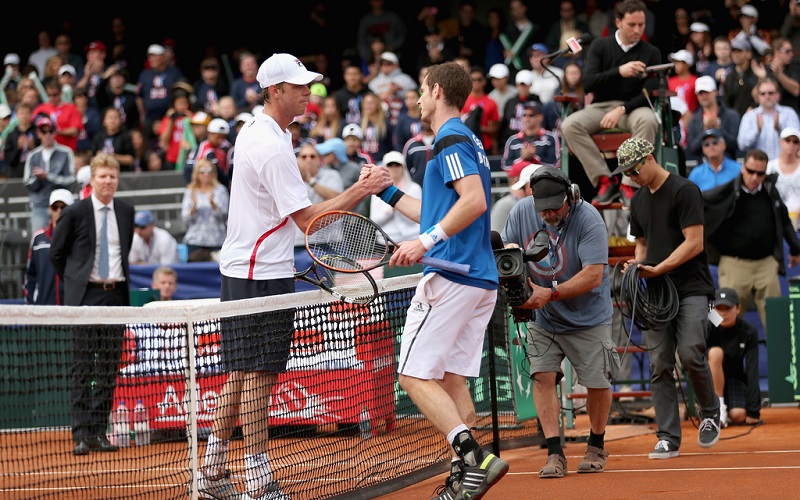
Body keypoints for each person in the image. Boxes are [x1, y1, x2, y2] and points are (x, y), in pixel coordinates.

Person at [195, 53, 391, 500]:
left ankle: (209, 474)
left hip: (250, 267)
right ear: (275, 91)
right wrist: (361, 188)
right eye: (300, 85)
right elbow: (309, 222)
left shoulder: (267, 133)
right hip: (258, 273)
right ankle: (259, 481)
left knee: (240, 374)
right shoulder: (269, 144)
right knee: (257, 376)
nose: (309, 91)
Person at [378, 60, 508, 500]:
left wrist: (425, 243)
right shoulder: (468, 139)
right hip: (479, 280)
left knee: (413, 376)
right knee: (452, 380)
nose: (415, 98)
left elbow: (471, 202)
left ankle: (475, 457)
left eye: (419, 89)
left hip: (452, 275)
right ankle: (463, 478)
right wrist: (389, 192)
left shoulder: (450, 137)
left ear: (436, 91)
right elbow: (440, 212)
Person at [502, 164, 616, 478]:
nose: (549, 214)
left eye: (555, 208)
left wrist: (548, 294)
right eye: (543, 209)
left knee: (597, 382)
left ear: (570, 196)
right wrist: (519, 286)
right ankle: (554, 451)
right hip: (544, 318)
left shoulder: (589, 218)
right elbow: (509, 255)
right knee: (542, 376)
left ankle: (596, 443)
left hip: (588, 317)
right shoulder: (522, 212)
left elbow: (594, 275)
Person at [613, 137, 721, 459]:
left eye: (633, 169)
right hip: (657, 293)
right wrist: (639, 263)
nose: (630, 176)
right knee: (659, 363)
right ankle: (667, 436)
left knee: (690, 353)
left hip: (691, 288)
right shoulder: (639, 201)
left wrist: (658, 268)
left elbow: (695, 242)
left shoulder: (684, 190)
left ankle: (710, 412)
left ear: (648, 158)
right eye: (626, 172)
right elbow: (642, 243)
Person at [49, 153, 135, 456]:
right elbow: (56, 254)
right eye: (103, 176)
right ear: (92, 179)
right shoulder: (74, 212)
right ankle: (81, 434)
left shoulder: (126, 211)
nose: (108, 181)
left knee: (109, 367)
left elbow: (124, 251)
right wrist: (76, 282)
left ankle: (99, 431)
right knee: (83, 368)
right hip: (85, 298)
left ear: (117, 179)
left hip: (116, 297)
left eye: (112, 176)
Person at [560, 0, 662, 208]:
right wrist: (619, 72)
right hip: (600, 106)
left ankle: (628, 184)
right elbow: (588, 83)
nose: (638, 30)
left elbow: (649, 92)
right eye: (632, 25)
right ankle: (606, 180)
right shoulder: (600, 45)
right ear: (618, 22)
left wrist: (623, 108)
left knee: (649, 120)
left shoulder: (651, 51)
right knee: (569, 125)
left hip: (632, 107)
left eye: (641, 25)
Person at [703, 148, 800, 335]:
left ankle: (784, 362)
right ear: (742, 168)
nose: (755, 177)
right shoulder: (728, 191)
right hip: (733, 263)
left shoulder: (771, 192)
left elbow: (785, 221)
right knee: (720, 319)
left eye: (760, 173)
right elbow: (701, 203)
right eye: (751, 171)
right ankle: (713, 356)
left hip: (766, 264)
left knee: (778, 320)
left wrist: (795, 249)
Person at [707, 287, 762, 428]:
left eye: (728, 308)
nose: (723, 314)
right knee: (715, 352)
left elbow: (752, 369)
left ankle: (727, 409)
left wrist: (753, 410)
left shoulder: (749, 331)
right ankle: (716, 408)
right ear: (713, 310)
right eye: (719, 309)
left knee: (738, 415)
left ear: (738, 308)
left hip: (733, 378)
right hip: (708, 382)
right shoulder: (709, 325)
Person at [23, 114, 76, 233]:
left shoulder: (66, 152)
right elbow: (27, 183)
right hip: (40, 206)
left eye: (50, 131)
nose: (47, 135)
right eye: (43, 131)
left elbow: (71, 181)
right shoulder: (33, 155)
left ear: (55, 132)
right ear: (38, 133)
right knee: (39, 241)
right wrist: (39, 178)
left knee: (64, 241)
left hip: (61, 206)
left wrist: (48, 176)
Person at [24, 188, 73, 305]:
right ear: (49, 209)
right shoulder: (38, 238)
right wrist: (31, 301)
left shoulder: (79, 238)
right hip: (44, 308)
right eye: (55, 207)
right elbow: (30, 274)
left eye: (64, 207)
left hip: (73, 308)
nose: (59, 211)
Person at [737, 78, 800, 161]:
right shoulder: (749, 116)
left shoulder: (789, 113)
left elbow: (797, 142)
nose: (767, 96)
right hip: (758, 169)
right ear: (758, 96)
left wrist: (781, 129)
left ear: (778, 95)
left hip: (784, 167)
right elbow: (742, 145)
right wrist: (757, 130)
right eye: (763, 93)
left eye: (771, 93)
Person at [684, 75, 741, 164]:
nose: (703, 96)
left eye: (706, 92)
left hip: (728, 164)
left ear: (715, 92)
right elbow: (691, 148)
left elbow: (735, 144)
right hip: (703, 166)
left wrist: (718, 129)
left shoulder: (731, 115)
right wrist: (704, 131)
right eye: (700, 93)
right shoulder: (694, 120)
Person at [368, 150, 421, 244]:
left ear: (403, 167)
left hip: (411, 239)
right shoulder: (377, 190)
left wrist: (399, 205)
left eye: (397, 165)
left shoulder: (414, 188)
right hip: (385, 241)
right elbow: (374, 221)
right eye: (390, 165)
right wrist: (391, 209)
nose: (394, 168)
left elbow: (418, 218)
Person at [181, 158, 230, 257]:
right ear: (196, 174)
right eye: (202, 172)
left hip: (216, 239)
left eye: (209, 171)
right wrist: (193, 207)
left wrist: (214, 205)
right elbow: (185, 218)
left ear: (214, 173)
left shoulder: (221, 190)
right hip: (194, 240)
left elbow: (225, 216)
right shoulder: (190, 191)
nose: (206, 174)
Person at [500, 101, 559, 169]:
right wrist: (522, 159)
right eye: (524, 115)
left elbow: (556, 164)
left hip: (542, 178)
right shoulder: (513, 140)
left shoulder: (550, 138)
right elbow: (505, 165)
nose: (527, 119)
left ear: (540, 117)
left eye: (531, 115)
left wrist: (535, 158)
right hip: (519, 178)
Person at [32, 78, 83, 153]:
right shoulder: (41, 108)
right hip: (46, 151)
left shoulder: (71, 108)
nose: (52, 98)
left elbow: (75, 131)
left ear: (60, 93)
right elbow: (33, 126)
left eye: (55, 95)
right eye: (49, 95)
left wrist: (56, 131)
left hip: (67, 151)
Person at [462, 65, 500, 155]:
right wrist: (483, 127)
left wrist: (474, 125)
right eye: (473, 80)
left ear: (484, 81)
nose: (476, 82)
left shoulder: (491, 102)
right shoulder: (462, 101)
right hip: (467, 144)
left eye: (479, 79)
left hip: (486, 145)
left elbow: (494, 129)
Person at [767, 127, 800, 221]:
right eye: (788, 140)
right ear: (781, 142)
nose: (791, 144)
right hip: (773, 220)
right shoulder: (770, 167)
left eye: (795, 142)